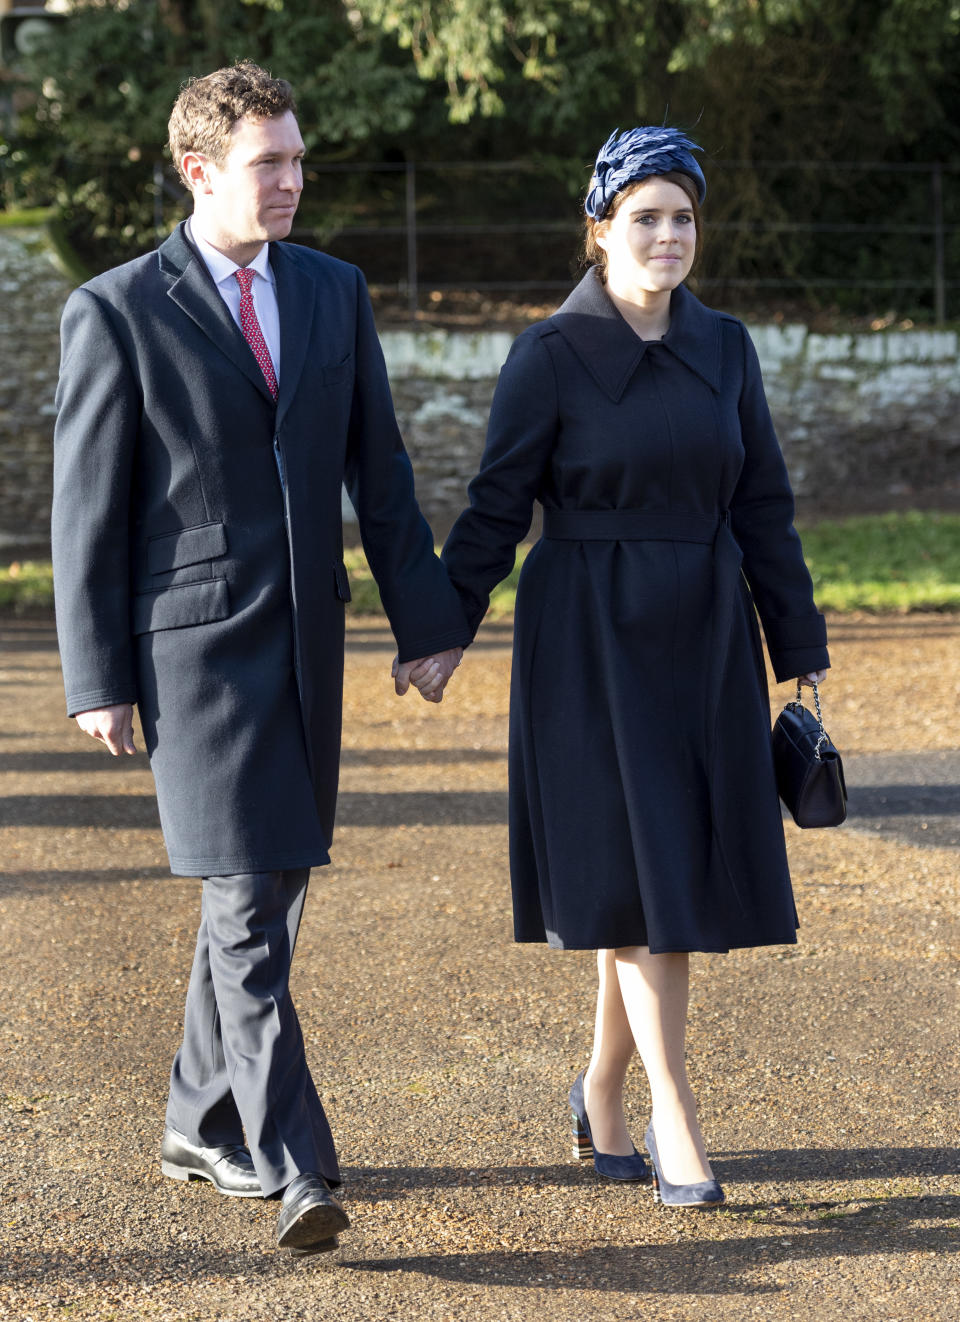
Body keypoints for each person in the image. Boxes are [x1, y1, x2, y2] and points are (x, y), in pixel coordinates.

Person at [51, 61, 468, 1254]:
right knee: (243, 897)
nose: (293, 179)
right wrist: (97, 675)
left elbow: (378, 471)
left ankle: (196, 1115)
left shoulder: (335, 292)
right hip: (188, 652)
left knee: (272, 885)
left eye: (297, 158)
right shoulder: (118, 307)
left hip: (308, 640)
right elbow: (88, 506)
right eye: (269, 162)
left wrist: (427, 621)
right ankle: (299, 1165)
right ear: (200, 170)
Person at [441, 127, 829, 1207]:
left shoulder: (729, 348)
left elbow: (765, 507)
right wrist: (444, 621)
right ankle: (676, 1113)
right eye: (646, 216)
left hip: (706, 634)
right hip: (586, 641)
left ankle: (604, 1088)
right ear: (600, 228)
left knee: (654, 875)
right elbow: (495, 506)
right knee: (643, 876)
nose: (669, 235)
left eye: (684, 216)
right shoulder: (548, 355)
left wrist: (797, 649)